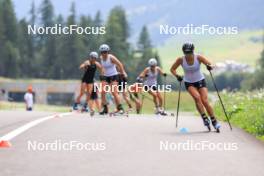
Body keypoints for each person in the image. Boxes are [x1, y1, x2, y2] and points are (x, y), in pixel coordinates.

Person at [170, 42, 220, 131]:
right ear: (183, 52)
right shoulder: (180, 60)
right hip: (189, 82)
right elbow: (172, 69)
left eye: (189, 52)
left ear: (193, 51)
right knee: (197, 98)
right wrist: (177, 76)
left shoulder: (198, 57)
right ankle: (204, 118)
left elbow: (210, 64)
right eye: (186, 53)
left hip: (200, 80)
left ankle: (214, 120)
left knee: (204, 100)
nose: (188, 54)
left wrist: (209, 66)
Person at [99, 44, 127, 115]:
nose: (104, 54)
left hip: (114, 76)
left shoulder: (111, 57)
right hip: (106, 77)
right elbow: (102, 67)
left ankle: (120, 108)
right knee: (102, 91)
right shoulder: (101, 58)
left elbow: (120, 64)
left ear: (108, 52)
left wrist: (123, 72)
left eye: (105, 52)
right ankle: (105, 108)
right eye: (102, 52)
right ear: (101, 53)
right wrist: (102, 73)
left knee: (114, 92)